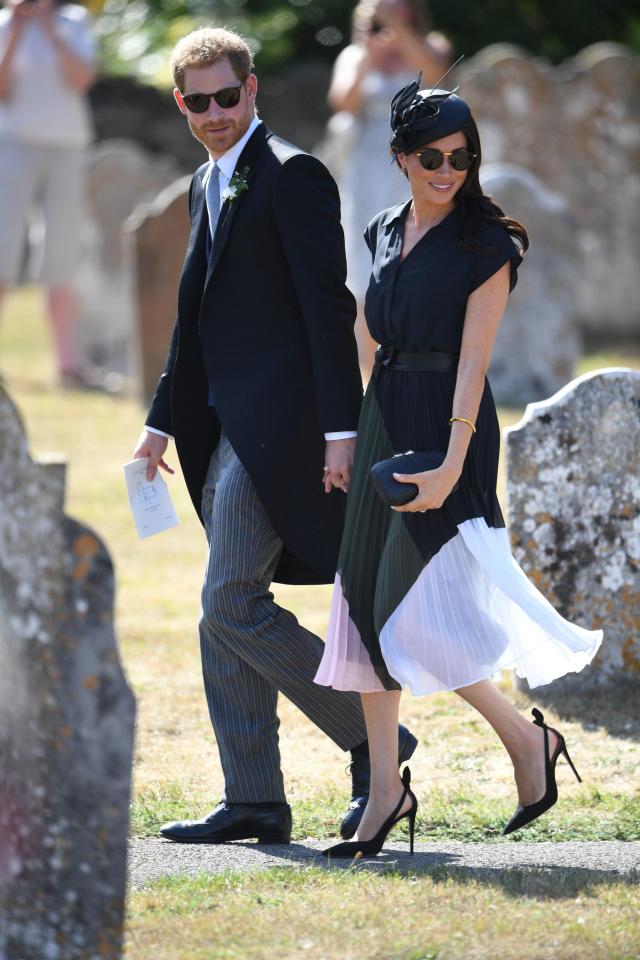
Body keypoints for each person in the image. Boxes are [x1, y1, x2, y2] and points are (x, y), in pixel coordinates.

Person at [133, 27, 417, 846]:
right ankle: (254, 795)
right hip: (221, 430)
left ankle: (376, 738)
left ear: (251, 90)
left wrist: (340, 433)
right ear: (182, 106)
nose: (217, 113)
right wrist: (158, 425)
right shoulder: (203, 183)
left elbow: (332, 313)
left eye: (230, 96)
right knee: (221, 609)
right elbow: (195, 324)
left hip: (289, 430)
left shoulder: (294, 176)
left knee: (228, 601)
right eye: (201, 102)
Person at [315, 79, 603, 857]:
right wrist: (349, 437)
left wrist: (447, 463)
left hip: (452, 430)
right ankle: (384, 794)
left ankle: (523, 741)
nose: (448, 169)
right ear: (400, 157)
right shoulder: (379, 229)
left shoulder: (488, 245)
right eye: (433, 156)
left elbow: (474, 364)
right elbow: (368, 342)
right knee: (364, 609)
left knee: (419, 607)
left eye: (462, 157)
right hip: (384, 424)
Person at [327, 0, 451, 378]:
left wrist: (401, 32)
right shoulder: (354, 55)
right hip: (367, 169)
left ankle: (418, 363)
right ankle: (372, 372)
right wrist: (368, 51)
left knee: (419, 257)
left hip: (419, 166)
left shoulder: (431, 44)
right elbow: (342, 102)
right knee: (365, 267)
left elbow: (437, 76)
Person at [0, 0, 96, 385]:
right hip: (12, 144)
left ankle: (68, 365)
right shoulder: (4, 23)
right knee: (2, 248)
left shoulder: (75, 21)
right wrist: (19, 31)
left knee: (61, 251)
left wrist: (51, 32)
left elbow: (81, 79)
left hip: (67, 146)